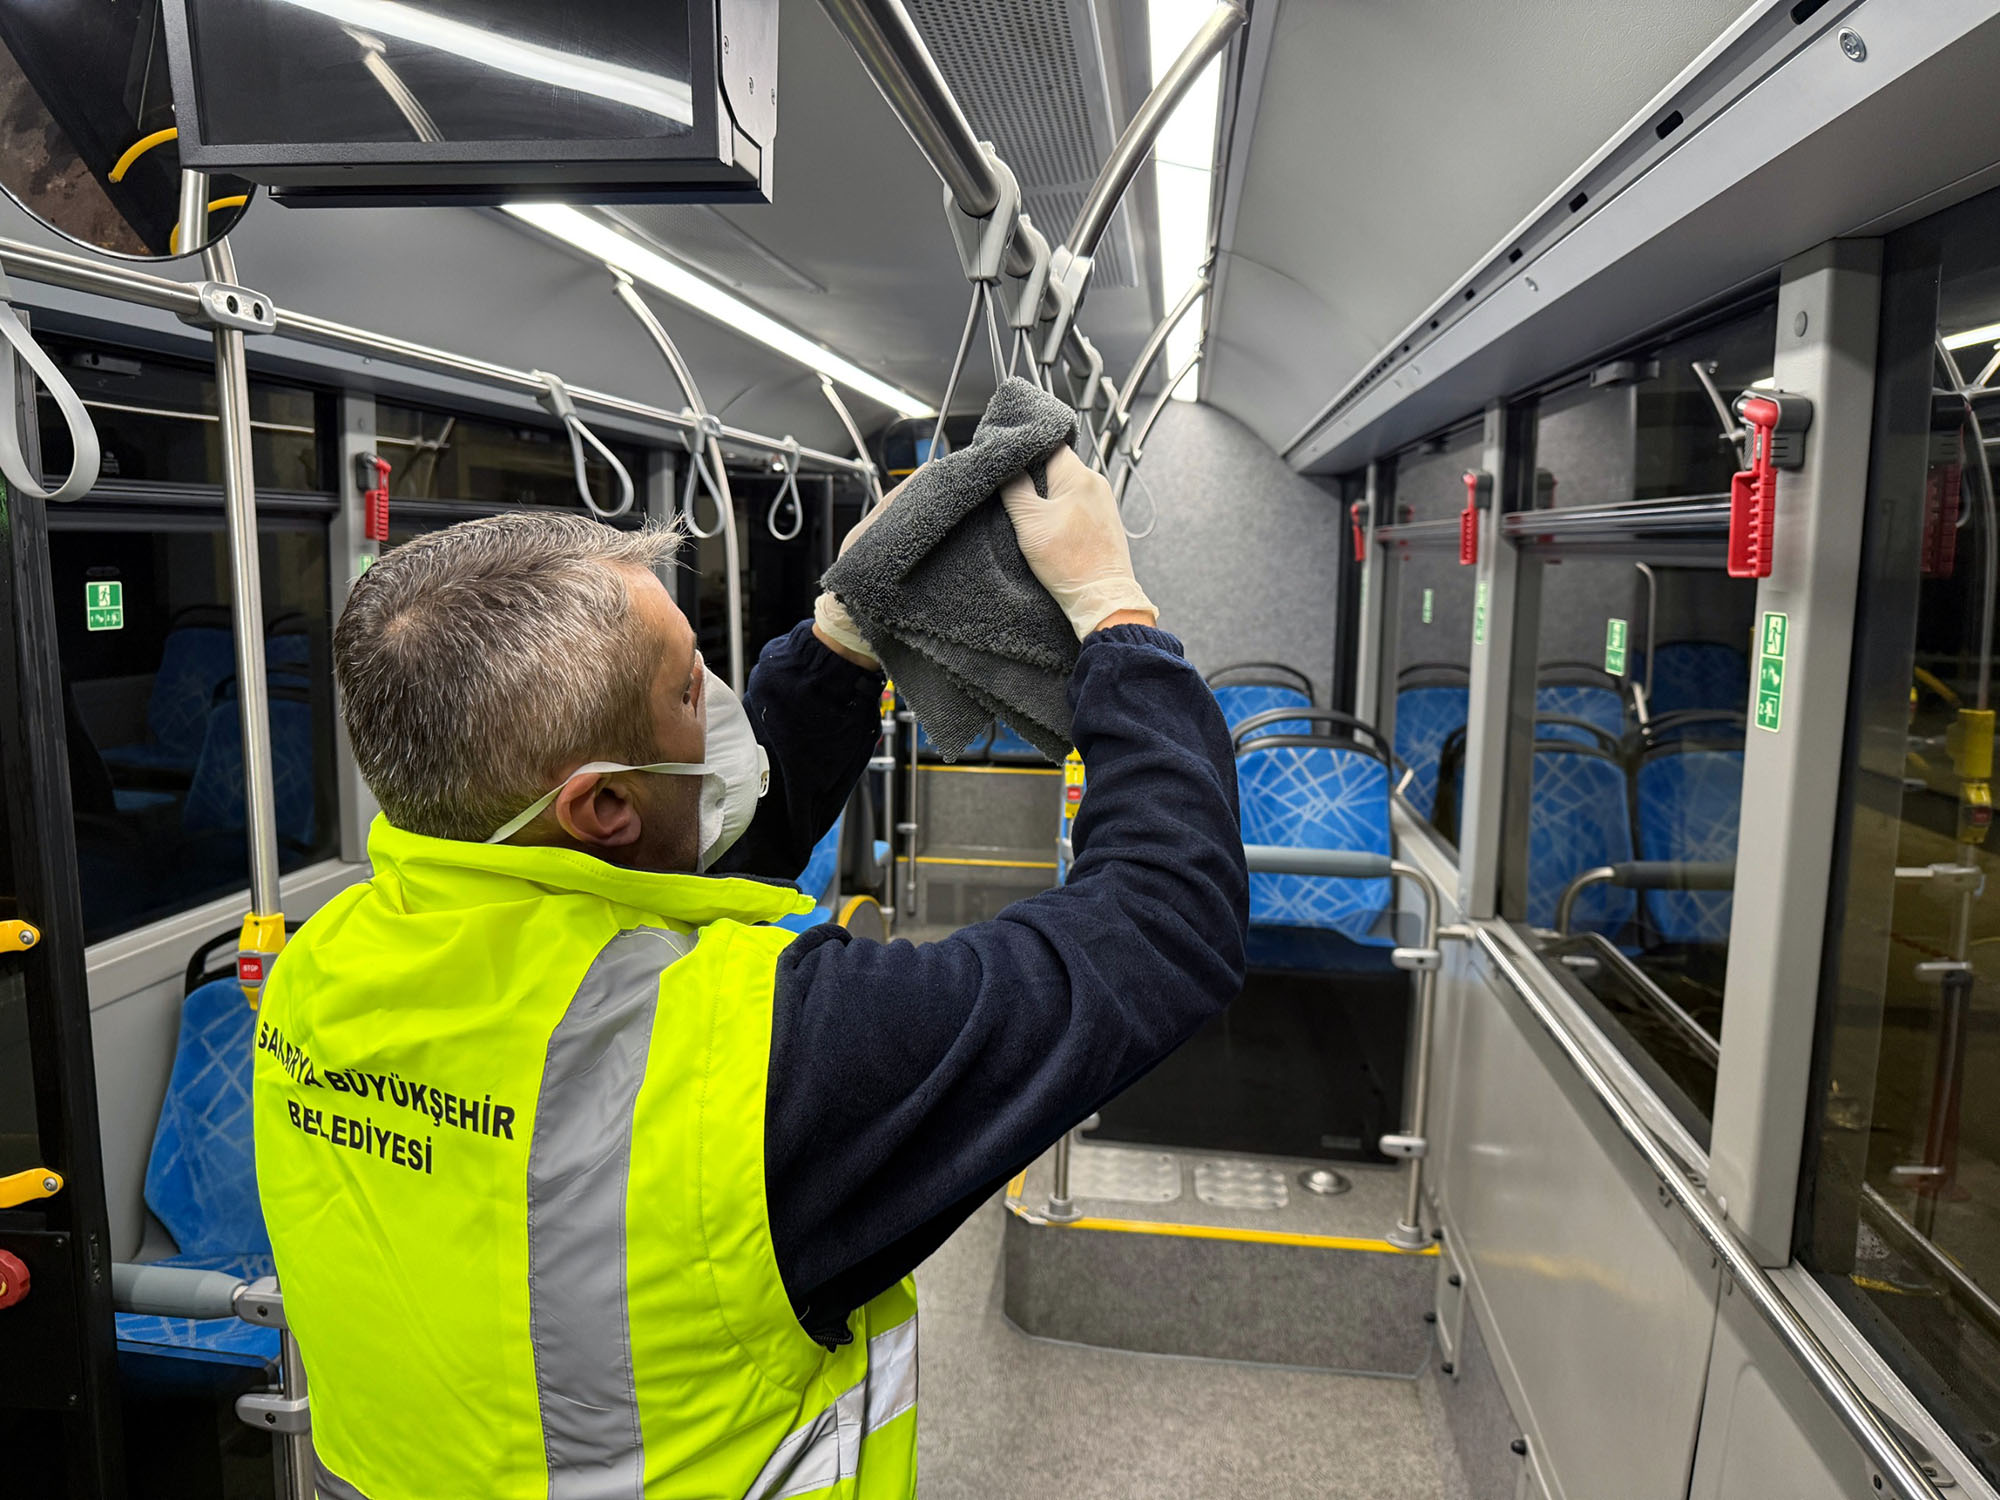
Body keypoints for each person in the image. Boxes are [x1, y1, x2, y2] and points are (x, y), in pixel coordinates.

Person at [252, 446, 1248, 1500]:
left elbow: (680, 853)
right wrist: (1113, 614)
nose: (720, 701)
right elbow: (1161, 924)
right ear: (601, 807)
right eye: (691, 688)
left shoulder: (324, 959)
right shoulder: (763, 1064)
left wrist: (840, 641)